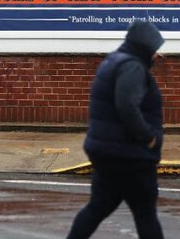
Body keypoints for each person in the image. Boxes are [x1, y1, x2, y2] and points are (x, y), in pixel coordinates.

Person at [67, 21, 165, 239]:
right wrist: (148, 137)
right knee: (145, 213)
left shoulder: (114, 61)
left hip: (108, 152)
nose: (157, 55)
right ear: (144, 47)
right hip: (129, 155)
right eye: (154, 49)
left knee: (98, 207)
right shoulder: (132, 67)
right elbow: (127, 105)